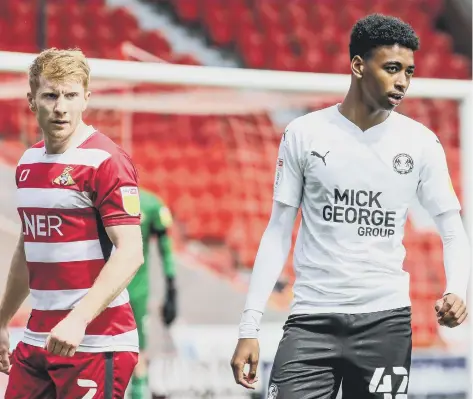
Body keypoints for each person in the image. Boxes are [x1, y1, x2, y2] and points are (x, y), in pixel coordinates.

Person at [230, 14, 470, 398]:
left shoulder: (421, 143)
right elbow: (277, 231)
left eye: (409, 71)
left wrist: (457, 288)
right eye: (392, 68)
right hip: (311, 319)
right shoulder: (305, 134)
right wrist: (249, 328)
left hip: (385, 323)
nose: (403, 81)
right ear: (358, 65)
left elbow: (452, 229)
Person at [0, 48, 144, 398]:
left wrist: (79, 319)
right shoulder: (28, 162)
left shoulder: (106, 160)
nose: (60, 107)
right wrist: (2, 319)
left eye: (70, 95)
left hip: (96, 340)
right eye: (50, 95)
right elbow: (28, 248)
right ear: (32, 100)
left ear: (86, 100)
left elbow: (131, 252)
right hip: (38, 340)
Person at [129, 188, 177, 399]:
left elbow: (165, 248)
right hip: (105, 290)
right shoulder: (99, 200)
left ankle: (138, 392)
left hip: (135, 291)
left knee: (137, 352)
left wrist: (171, 289)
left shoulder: (149, 204)